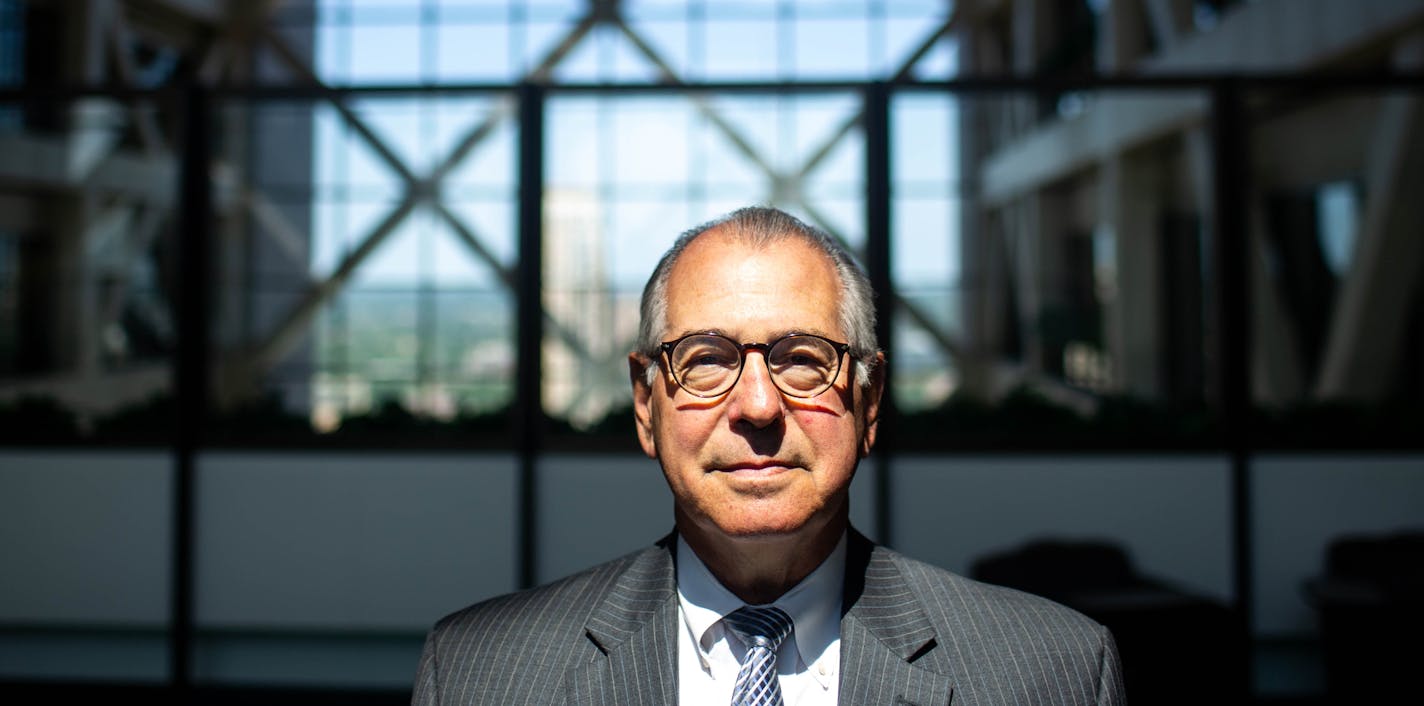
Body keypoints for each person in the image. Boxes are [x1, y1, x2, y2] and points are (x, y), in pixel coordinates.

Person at [413, 206, 1125, 705]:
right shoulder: (483, 676)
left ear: (869, 403)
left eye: (804, 361)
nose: (757, 406)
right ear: (645, 403)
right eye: (707, 360)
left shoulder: (1052, 673)